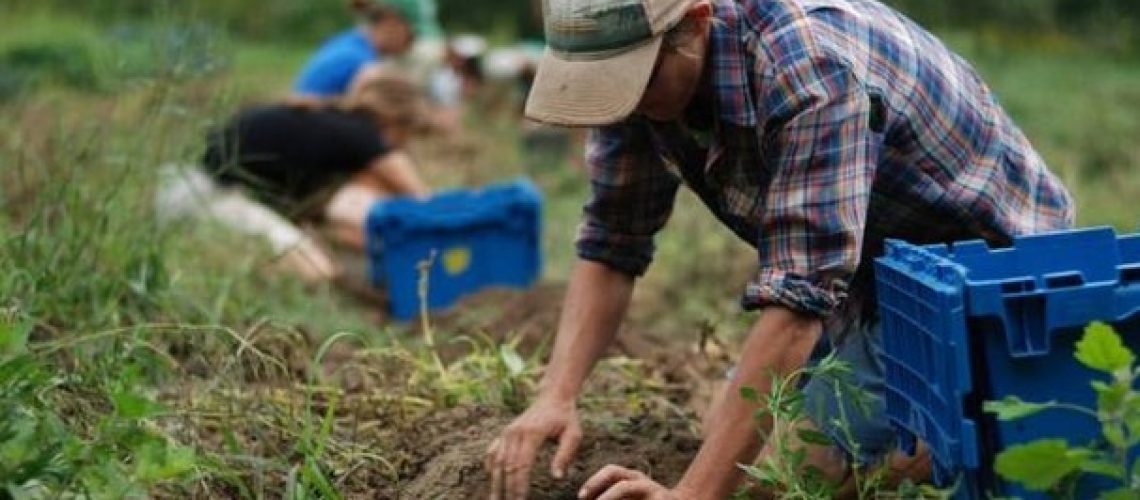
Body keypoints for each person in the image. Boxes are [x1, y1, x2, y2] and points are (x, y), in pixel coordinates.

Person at [485, 0, 1075, 499]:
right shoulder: (637, 88)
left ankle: (979, 426)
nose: (627, 101)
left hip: (979, 274)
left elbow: (797, 305)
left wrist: (690, 495)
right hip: (863, 273)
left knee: (786, 478)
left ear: (695, 22)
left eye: (637, 78)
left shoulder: (807, 69)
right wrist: (554, 397)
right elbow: (614, 239)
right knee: (729, 440)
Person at [156, 75, 431, 283]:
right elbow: (421, 201)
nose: (407, 144)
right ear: (396, 122)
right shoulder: (362, 136)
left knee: (321, 255)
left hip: (187, 189)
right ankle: (233, 275)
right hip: (203, 198)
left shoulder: (332, 123)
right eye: (410, 134)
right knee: (317, 272)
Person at [293, 0, 428, 98]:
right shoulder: (360, 61)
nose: (412, 45)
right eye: (412, 36)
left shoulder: (348, 42)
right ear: (391, 22)